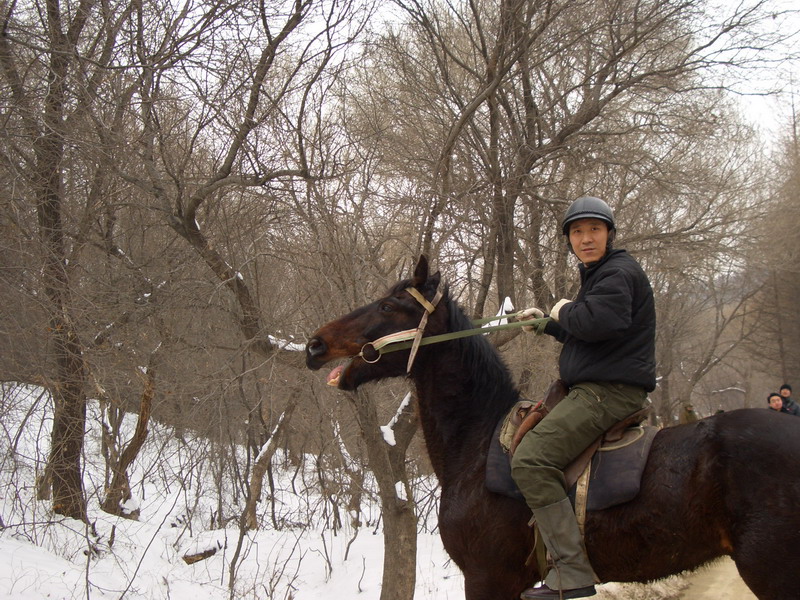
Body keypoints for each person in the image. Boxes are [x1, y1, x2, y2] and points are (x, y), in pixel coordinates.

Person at [512, 196, 657, 600]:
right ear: (569, 240)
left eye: (594, 229)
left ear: (609, 234)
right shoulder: (601, 274)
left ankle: (572, 572)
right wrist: (546, 325)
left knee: (530, 460)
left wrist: (562, 310)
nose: (586, 238)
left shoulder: (617, 272)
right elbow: (593, 334)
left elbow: (602, 321)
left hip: (607, 393)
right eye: (577, 231)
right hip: (599, 384)